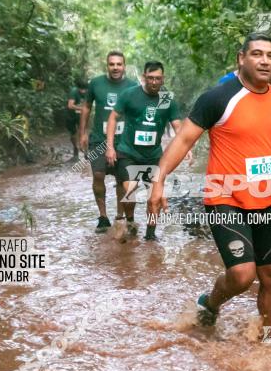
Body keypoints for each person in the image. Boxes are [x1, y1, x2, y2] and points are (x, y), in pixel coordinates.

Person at [147, 33, 271, 344]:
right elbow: (183, 140)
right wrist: (159, 181)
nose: (265, 61)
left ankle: (269, 344)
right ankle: (210, 303)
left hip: (267, 202)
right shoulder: (218, 98)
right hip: (225, 199)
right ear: (241, 58)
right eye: (257, 54)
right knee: (243, 275)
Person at [105, 61, 185, 241]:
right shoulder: (129, 94)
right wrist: (110, 147)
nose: (154, 82)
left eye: (158, 78)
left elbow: (178, 126)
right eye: (150, 78)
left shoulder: (167, 100)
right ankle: (131, 221)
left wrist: (186, 148)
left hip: (154, 156)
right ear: (144, 77)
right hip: (128, 152)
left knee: (153, 199)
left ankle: (150, 234)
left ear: (163, 79)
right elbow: (113, 118)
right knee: (129, 190)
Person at [79, 51, 139, 233]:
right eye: (112, 64)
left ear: (124, 66)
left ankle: (120, 216)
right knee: (98, 175)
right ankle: (103, 216)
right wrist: (82, 133)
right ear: (107, 66)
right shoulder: (96, 84)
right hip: (99, 140)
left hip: (123, 142)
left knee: (123, 180)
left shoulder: (132, 86)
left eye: (119, 64)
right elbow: (87, 107)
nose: (115, 67)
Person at [66, 79, 87, 161]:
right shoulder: (73, 92)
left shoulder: (88, 92)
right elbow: (70, 105)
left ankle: (86, 152)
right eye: (81, 89)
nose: (83, 91)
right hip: (71, 115)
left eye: (84, 89)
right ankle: (75, 150)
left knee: (83, 132)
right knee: (73, 133)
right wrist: (82, 108)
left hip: (81, 115)